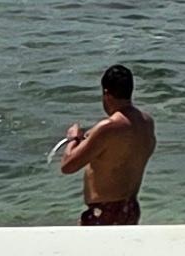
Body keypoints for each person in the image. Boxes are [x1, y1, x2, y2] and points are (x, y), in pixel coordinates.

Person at [58, 65, 156, 225]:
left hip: (104, 211)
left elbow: (68, 166)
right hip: (130, 208)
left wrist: (73, 139)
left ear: (106, 93)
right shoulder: (146, 123)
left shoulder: (108, 127)